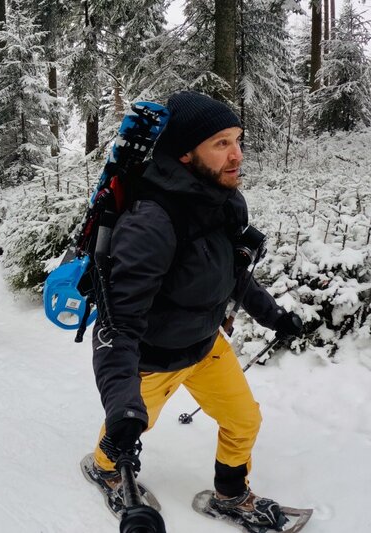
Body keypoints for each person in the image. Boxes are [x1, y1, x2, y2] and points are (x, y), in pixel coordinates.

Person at [83, 91, 305, 530]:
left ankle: (229, 495)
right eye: (221, 143)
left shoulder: (220, 201)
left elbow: (231, 275)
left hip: (204, 346)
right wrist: (124, 405)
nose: (237, 154)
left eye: (238, 139)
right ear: (185, 154)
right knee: (126, 431)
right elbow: (118, 323)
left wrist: (274, 316)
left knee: (244, 419)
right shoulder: (152, 222)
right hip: (154, 360)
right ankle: (104, 468)